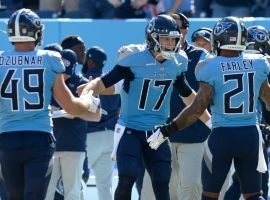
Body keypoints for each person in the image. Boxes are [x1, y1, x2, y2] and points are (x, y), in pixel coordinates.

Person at [78, 14, 211, 200]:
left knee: (162, 182)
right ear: (152, 38)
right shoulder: (134, 58)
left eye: (173, 39)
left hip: (158, 132)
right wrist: (88, 93)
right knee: (127, 178)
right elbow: (102, 82)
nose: (170, 43)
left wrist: (211, 122)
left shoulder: (178, 61)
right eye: (165, 38)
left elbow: (188, 96)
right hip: (130, 129)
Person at [147, 16, 270, 200]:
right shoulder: (259, 63)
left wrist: (168, 129)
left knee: (209, 195)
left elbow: (196, 109)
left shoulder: (209, 66)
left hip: (222, 137)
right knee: (253, 195)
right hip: (250, 136)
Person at [0, 8, 99, 199]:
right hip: (39, 139)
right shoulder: (49, 59)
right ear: (36, 32)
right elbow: (70, 106)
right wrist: (87, 101)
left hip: (7, 140)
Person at [140, 12, 211, 200]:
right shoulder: (148, 55)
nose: (169, 33)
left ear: (185, 30)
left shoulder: (201, 56)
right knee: (163, 190)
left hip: (194, 133)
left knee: (191, 189)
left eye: (175, 27)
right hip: (160, 133)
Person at [45, 49, 101, 200]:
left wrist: (75, 111)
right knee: (46, 192)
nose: (63, 77)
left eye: (66, 72)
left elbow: (97, 116)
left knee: (73, 192)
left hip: (73, 145)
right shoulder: (48, 82)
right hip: (49, 146)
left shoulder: (83, 84)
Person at [224, 25, 270, 200]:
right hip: (249, 130)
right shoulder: (262, 67)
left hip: (231, 130)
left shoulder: (224, 64)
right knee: (253, 184)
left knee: (240, 181)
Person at [82, 46, 120, 200]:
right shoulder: (111, 81)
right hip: (110, 137)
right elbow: (118, 110)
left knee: (78, 180)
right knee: (105, 186)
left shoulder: (85, 80)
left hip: (90, 136)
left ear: (90, 61)